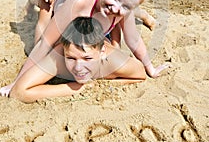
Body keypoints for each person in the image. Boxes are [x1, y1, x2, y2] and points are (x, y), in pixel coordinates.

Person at [0, 0, 168, 101]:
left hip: (93, 35)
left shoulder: (120, 10)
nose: (116, 7)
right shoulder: (80, 0)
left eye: (126, 6)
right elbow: (46, 42)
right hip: (63, 21)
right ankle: (37, 0)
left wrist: (150, 68)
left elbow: (134, 40)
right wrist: (16, 81)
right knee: (48, 8)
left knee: (114, 34)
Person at [8, 17, 146, 103]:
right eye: (71, 58)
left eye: (87, 58)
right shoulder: (59, 57)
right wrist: (75, 89)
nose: (78, 67)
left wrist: (109, 85)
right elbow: (18, 92)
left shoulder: (115, 61)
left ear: (102, 52)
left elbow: (141, 76)